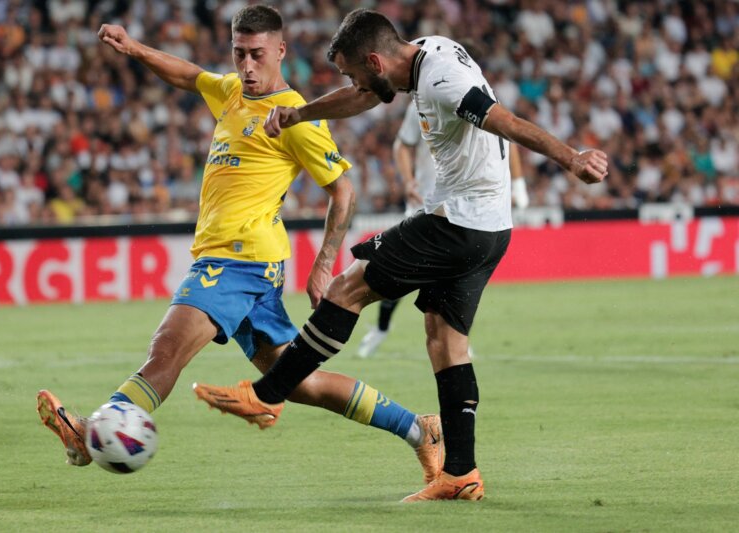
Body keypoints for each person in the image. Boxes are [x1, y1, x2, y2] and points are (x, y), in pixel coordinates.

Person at [194, 9, 607, 502]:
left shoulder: (443, 81)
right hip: (490, 228)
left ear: (374, 59)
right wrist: (302, 114)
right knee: (445, 340)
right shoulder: (419, 53)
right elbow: (364, 95)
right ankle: (460, 473)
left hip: (458, 221)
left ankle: (266, 394)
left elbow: (508, 122)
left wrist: (573, 159)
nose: (354, 83)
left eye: (353, 72)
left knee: (349, 286)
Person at [35, 5, 443, 486]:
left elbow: (343, 190)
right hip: (246, 262)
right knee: (300, 382)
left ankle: (94, 432)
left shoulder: (296, 116)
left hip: (238, 260)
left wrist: (324, 263)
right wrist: (137, 49)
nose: (247, 66)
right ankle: (420, 430)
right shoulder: (230, 90)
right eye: (239, 54)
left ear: (280, 52)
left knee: (166, 350)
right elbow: (191, 76)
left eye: (256, 55)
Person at [357, 97, 530, 358]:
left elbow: (509, 136)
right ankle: (381, 328)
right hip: (423, 202)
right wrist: (408, 181)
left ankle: (456, 337)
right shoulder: (423, 104)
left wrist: (518, 185)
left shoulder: (479, 102)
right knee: (397, 273)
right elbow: (403, 145)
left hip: (462, 207)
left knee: (453, 276)